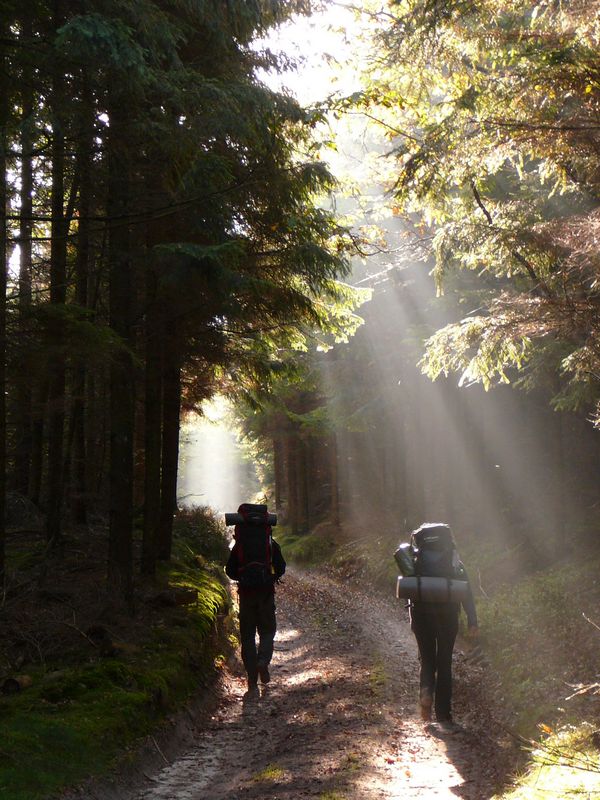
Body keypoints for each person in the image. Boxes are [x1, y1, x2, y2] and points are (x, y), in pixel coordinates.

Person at [407, 522, 478, 726]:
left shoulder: (416, 559)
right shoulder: (454, 560)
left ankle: (426, 697)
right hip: (447, 615)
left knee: (427, 659)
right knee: (444, 661)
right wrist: (472, 620)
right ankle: (444, 715)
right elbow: (466, 591)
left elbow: (410, 590)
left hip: (421, 615)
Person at [225, 505, 286, 694]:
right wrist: (271, 576)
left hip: (246, 594)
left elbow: (230, 570)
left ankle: (252, 680)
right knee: (268, 630)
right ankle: (263, 661)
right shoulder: (269, 542)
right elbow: (281, 566)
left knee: (248, 635)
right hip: (266, 592)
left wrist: (243, 577)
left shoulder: (240, 545)